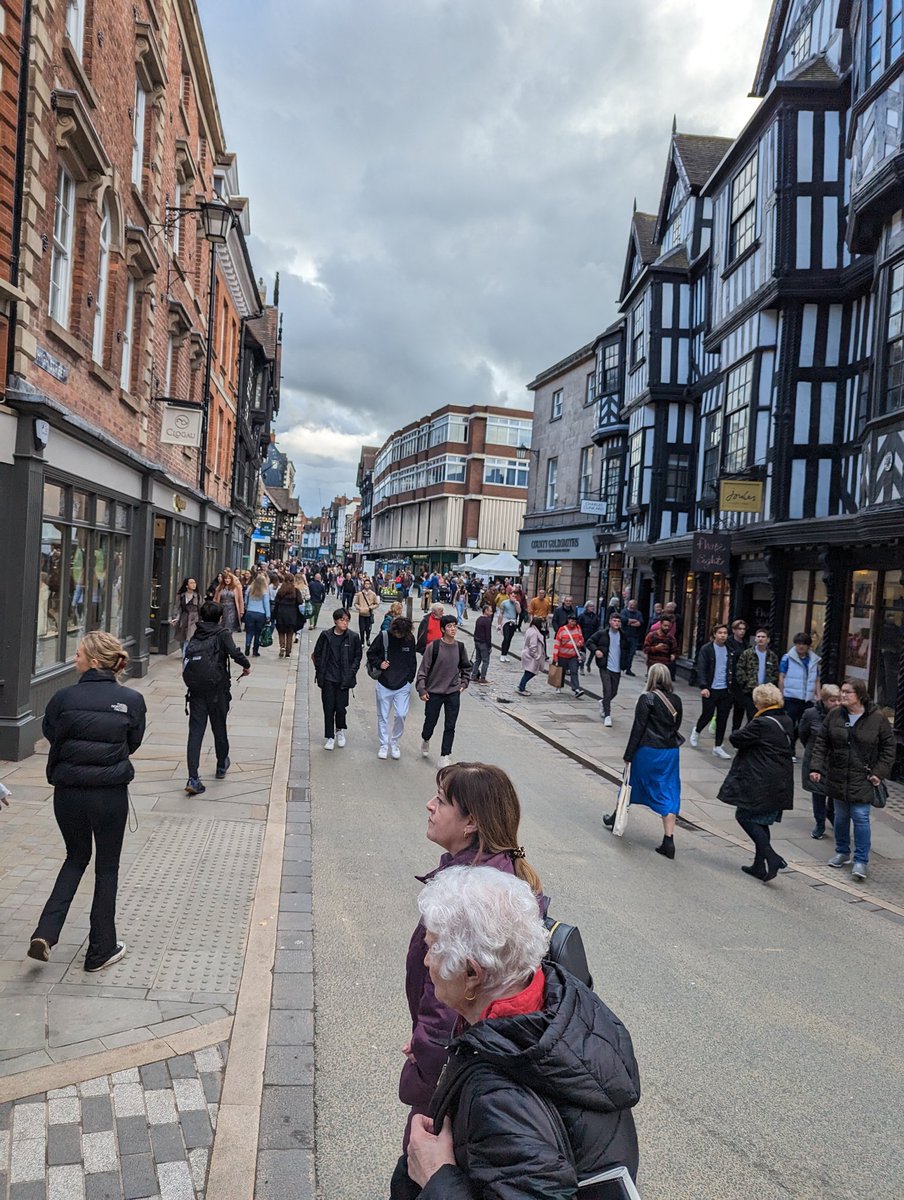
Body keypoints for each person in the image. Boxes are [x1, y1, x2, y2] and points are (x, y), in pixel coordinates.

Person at [395, 866, 640, 1199]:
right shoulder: (559, 998)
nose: (426, 962)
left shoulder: (500, 1100)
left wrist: (436, 1176)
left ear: (471, 973)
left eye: (433, 949)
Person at [396, 763, 545, 1155]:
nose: (430, 805)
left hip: (452, 1075)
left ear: (470, 823)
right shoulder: (494, 874)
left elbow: (448, 1006)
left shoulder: (468, 900)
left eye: (442, 801)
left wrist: (421, 1072)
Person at [28, 633, 146, 971]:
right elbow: (132, 742)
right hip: (109, 794)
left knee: (75, 857)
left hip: (68, 793)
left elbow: (51, 734)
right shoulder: (132, 700)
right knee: (106, 867)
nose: (75, 658)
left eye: (78, 653)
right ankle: (100, 950)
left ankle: (46, 932)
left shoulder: (63, 698)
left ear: (94, 660)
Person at [810, 677, 895, 882]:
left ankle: (861, 861)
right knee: (840, 817)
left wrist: (879, 772)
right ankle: (842, 852)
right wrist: (816, 767)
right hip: (838, 774)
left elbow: (888, 748)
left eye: (848, 692)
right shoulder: (834, 715)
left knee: (861, 818)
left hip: (863, 777)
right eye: (843, 691)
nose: (843, 695)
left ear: (860, 695)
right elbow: (822, 742)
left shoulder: (877, 719)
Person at [603, 663, 683, 857]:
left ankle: (617, 816)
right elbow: (677, 725)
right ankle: (668, 840)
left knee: (630, 782)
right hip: (670, 752)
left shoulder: (647, 699)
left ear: (651, 678)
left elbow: (638, 728)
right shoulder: (677, 700)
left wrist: (628, 755)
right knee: (668, 790)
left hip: (648, 750)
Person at [718, 683, 794, 882]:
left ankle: (772, 857)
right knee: (761, 820)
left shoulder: (761, 723)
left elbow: (736, 738)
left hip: (763, 780)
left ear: (759, 701)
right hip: (780, 780)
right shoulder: (785, 719)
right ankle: (759, 866)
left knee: (745, 816)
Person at [182, 600, 251, 795]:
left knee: (195, 732)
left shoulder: (198, 632)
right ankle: (222, 763)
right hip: (217, 689)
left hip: (196, 690)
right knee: (219, 726)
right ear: (220, 617)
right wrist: (246, 666)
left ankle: (193, 777)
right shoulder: (222, 633)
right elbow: (234, 653)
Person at [417, 616, 471, 768]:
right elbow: (423, 671)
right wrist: (422, 688)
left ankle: (445, 755)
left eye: (455, 626)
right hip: (434, 692)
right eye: (449, 626)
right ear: (442, 629)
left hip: (453, 692)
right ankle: (426, 738)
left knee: (450, 725)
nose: (453, 629)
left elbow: (466, 667)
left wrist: (463, 684)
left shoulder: (460, 647)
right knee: (430, 722)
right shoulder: (433, 647)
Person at [366, 616, 418, 759]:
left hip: (403, 684)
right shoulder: (383, 636)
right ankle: (384, 744)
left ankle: (394, 742)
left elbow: (412, 660)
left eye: (401, 634)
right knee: (382, 715)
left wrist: (409, 679)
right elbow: (370, 653)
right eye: (397, 633)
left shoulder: (410, 639)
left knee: (401, 714)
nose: (398, 636)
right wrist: (379, 663)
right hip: (384, 682)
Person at [311, 608, 362, 751]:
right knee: (328, 707)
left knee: (340, 708)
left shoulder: (353, 637)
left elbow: (358, 656)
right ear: (335, 621)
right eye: (342, 620)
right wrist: (320, 669)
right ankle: (329, 736)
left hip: (344, 679)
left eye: (347, 620)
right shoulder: (326, 635)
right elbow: (317, 653)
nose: (345, 623)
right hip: (328, 678)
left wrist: (352, 671)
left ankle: (339, 730)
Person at [799, 683, 842, 839]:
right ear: (823, 700)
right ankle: (820, 823)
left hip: (835, 759)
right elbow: (802, 733)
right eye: (832, 700)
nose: (836, 703)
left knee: (833, 792)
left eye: (839, 700)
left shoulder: (843, 715)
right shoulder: (811, 714)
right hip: (816, 759)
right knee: (818, 793)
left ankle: (831, 815)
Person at [690, 623, 733, 759]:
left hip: (725, 689)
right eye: (720, 633)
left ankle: (718, 746)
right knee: (707, 714)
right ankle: (696, 731)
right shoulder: (707, 649)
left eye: (725, 633)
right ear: (714, 634)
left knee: (723, 717)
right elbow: (701, 667)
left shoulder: (730, 649)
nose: (723, 635)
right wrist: (703, 686)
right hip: (710, 688)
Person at [779, 632, 821, 754]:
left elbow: (817, 679)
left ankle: (795, 744)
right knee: (790, 724)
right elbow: (782, 676)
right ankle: (790, 749)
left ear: (808, 646)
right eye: (798, 644)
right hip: (791, 697)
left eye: (803, 644)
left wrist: (818, 695)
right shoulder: (787, 658)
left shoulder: (814, 660)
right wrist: (781, 694)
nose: (801, 646)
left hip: (808, 698)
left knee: (804, 725)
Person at [586, 611, 631, 726]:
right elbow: (590, 642)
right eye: (614, 621)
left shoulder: (624, 636)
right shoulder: (602, 634)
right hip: (605, 666)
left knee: (614, 691)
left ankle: (603, 702)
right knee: (607, 690)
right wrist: (596, 650)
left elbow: (627, 649)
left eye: (619, 621)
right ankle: (607, 716)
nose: (617, 623)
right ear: (610, 622)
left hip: (617, 668)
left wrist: (625, 663)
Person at [735, 628, 780, 719]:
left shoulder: (772, 656)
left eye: (763, 637)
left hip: (766, 693)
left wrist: (770, 685)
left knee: (763, 717)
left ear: (768, 640)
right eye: (758, 637)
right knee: (751, 716)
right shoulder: (747, 654)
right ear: (755, 639)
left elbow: (775, 673)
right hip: (750, 691)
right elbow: (740, 669)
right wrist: (746, 683)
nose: (760, 639)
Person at [551, 613, 585, 697]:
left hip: (573, 655)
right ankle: (558, 686)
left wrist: (580, 643)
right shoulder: (562, 629)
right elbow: (557, 643)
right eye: (571, 620)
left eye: (574, 621)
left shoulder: (578, 628)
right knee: (561, 671)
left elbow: (581, 638)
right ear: (568, 620)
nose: (573, 622)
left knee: (574, 671)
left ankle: (576, 688)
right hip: (562, 655)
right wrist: (555, 656)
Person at [726, 618, 750, 733]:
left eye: (744, 629)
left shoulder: (746, 644)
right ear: (734, 630)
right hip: (730, 679)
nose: (742, 631)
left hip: (740, 680)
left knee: (740, 707)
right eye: (739, 629)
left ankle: (735, 730)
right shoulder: (729, 642)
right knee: (726, 707)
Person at [516, 616, 547, 695]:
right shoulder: (534, 633)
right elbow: (533, 646)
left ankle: (521, 686)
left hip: (528, 654)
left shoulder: (530, 630)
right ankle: (521, 687)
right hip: (531, 656)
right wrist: (536, 656)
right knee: (530, 672)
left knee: (528, 672)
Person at [273, 578, 304, 659]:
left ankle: (282, 646)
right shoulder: (296, 591)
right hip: (291, 615)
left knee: (281, 632)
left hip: (281, 614)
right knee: (290, 634)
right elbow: (300, 601)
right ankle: (288, 652)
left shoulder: (280, 591)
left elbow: (276, 602)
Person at [243, 573, 271, 657]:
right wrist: (268, 616)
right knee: (258, 633)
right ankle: (255, 650)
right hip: (260, 614)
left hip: (250, 612)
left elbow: (245, 599)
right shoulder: (264, 591)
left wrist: (247, 607)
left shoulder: (249, 589)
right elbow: (266, 604)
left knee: (249, 632)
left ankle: (247, 646)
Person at [170, 578, 200, 647]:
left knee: (189, 637)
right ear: (186, 585)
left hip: (194, 619)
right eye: (191, 583)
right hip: (183, 618)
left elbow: (201, 607)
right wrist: (174, 618)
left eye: (194, 583)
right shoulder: (181, 596)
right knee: (182, 638)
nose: (194, 584)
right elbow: (177, 607)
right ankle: (184, 651)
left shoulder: (197, 596)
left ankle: (186, 655)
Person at [619, 599, 646, 674]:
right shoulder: (624, 611)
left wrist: (629, 622)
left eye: (634, 605)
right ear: (628, 604)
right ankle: (621, 666)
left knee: (631, 653)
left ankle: (628, 668)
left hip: (634, 636)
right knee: (623, 652)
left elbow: (640, 623)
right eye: (631, 604)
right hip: (624, 636)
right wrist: (632, 621)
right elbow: (623, 620)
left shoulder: (638, 613)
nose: (632, 606)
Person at [470, 603, 493, 683]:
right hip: (483, 643)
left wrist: (475, 640)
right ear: (486, 611)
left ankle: (473, 675)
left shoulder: (479, 619)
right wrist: (489, 646)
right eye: (490, 611)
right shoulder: (487, 621)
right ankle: (482, 677)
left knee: (477, 660)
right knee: (485, 661)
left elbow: (476, 631)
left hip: (477, 642)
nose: (491, 613)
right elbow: (488, 634)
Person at [354, 579, 380, 645]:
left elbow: (376, 603)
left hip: (369, 614)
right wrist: (359, 608)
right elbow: (356, 603)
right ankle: (362, 641)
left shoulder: (373, 594)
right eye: (365, 584)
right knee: (362, 629)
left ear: (370, 585)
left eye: (368, 584)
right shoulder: (360, 594)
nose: (367, 585)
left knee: (368, 629)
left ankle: (367, 638)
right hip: (361, 614)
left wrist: (371, 607)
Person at [577, 600, 600, 672]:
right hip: (583, 636)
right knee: (583, 653)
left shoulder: (595, 617)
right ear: (586, 607)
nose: (592, 608)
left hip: (592, 637)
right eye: (591, 606)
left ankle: (588, 663)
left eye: (593, 606)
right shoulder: (582, 616)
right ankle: (581, 668)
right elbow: (578, 626)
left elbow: (597, 627)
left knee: (594, 651)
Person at [497, 590, 520, 661]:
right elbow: (501, 613)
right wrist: (499, 624)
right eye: (512, 596)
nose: (514, 597)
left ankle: (505, 654)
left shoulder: (517, 603)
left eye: (515, 596)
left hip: (513, 621)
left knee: (509, 639)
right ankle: (502, 654)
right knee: (506, 638)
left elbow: (519, 611)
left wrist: (516, 604)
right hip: (506, 621)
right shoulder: (504, 603)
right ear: (509, 595)